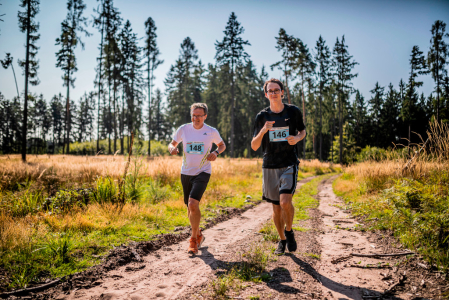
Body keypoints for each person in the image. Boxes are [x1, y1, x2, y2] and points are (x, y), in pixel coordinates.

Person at [251, 78, 306, 255]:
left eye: (277, 90)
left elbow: (302, 131)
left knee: (285, 202)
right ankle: (282, 240)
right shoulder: (262, 117)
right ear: (266, 94)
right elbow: (254, 145)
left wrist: (297, 138)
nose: (274, 93)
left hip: (289, 163)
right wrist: (263, 131)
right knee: (276, 207)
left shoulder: (293, 111)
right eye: (270, 91)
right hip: (270, 165)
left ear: (282, 92)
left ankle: (289, 231)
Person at [168, 103, 226, 255]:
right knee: (189, 206)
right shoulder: (184, 129)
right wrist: (172, 149)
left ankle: (193, 240)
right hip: (186, 172)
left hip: (203, 171)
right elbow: (172, 143)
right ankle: (199, 233)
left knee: (193, 204)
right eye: (194, 115)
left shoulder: (211, 131)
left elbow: (222, 145)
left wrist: (216, 152)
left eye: (200, 115)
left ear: (205, 116)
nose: (196, 118)